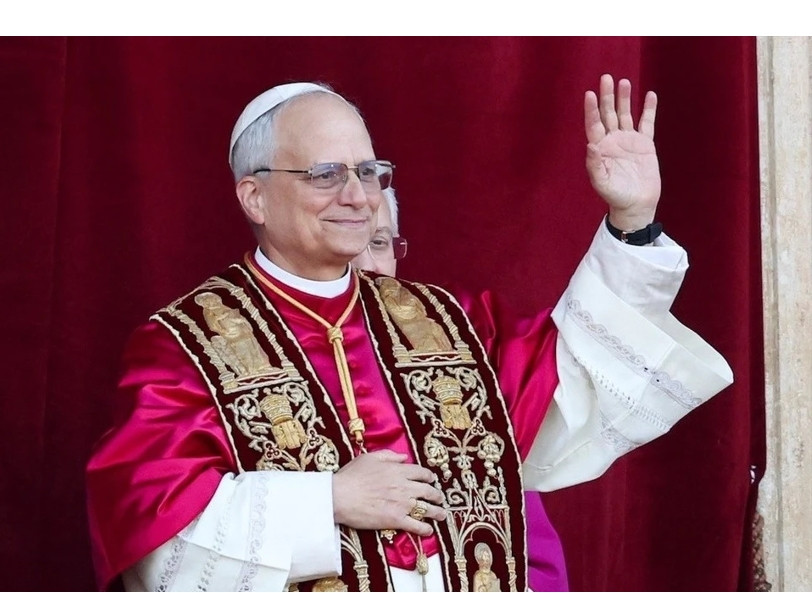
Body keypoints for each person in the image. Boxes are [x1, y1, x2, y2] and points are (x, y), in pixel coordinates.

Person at [86, 76, 733, 592]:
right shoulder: (185, 345)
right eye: (326, 174)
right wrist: (326, 500)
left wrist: (632, 221)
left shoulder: (446, 321)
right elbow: (156, 541)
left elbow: (575, 378)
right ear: (255, 197)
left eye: (369, 171)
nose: (357, 196)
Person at [351, 187, 570, 590]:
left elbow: (531, 557)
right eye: (348, 241)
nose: (366, 264)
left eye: (378, 243)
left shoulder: (460, 357)